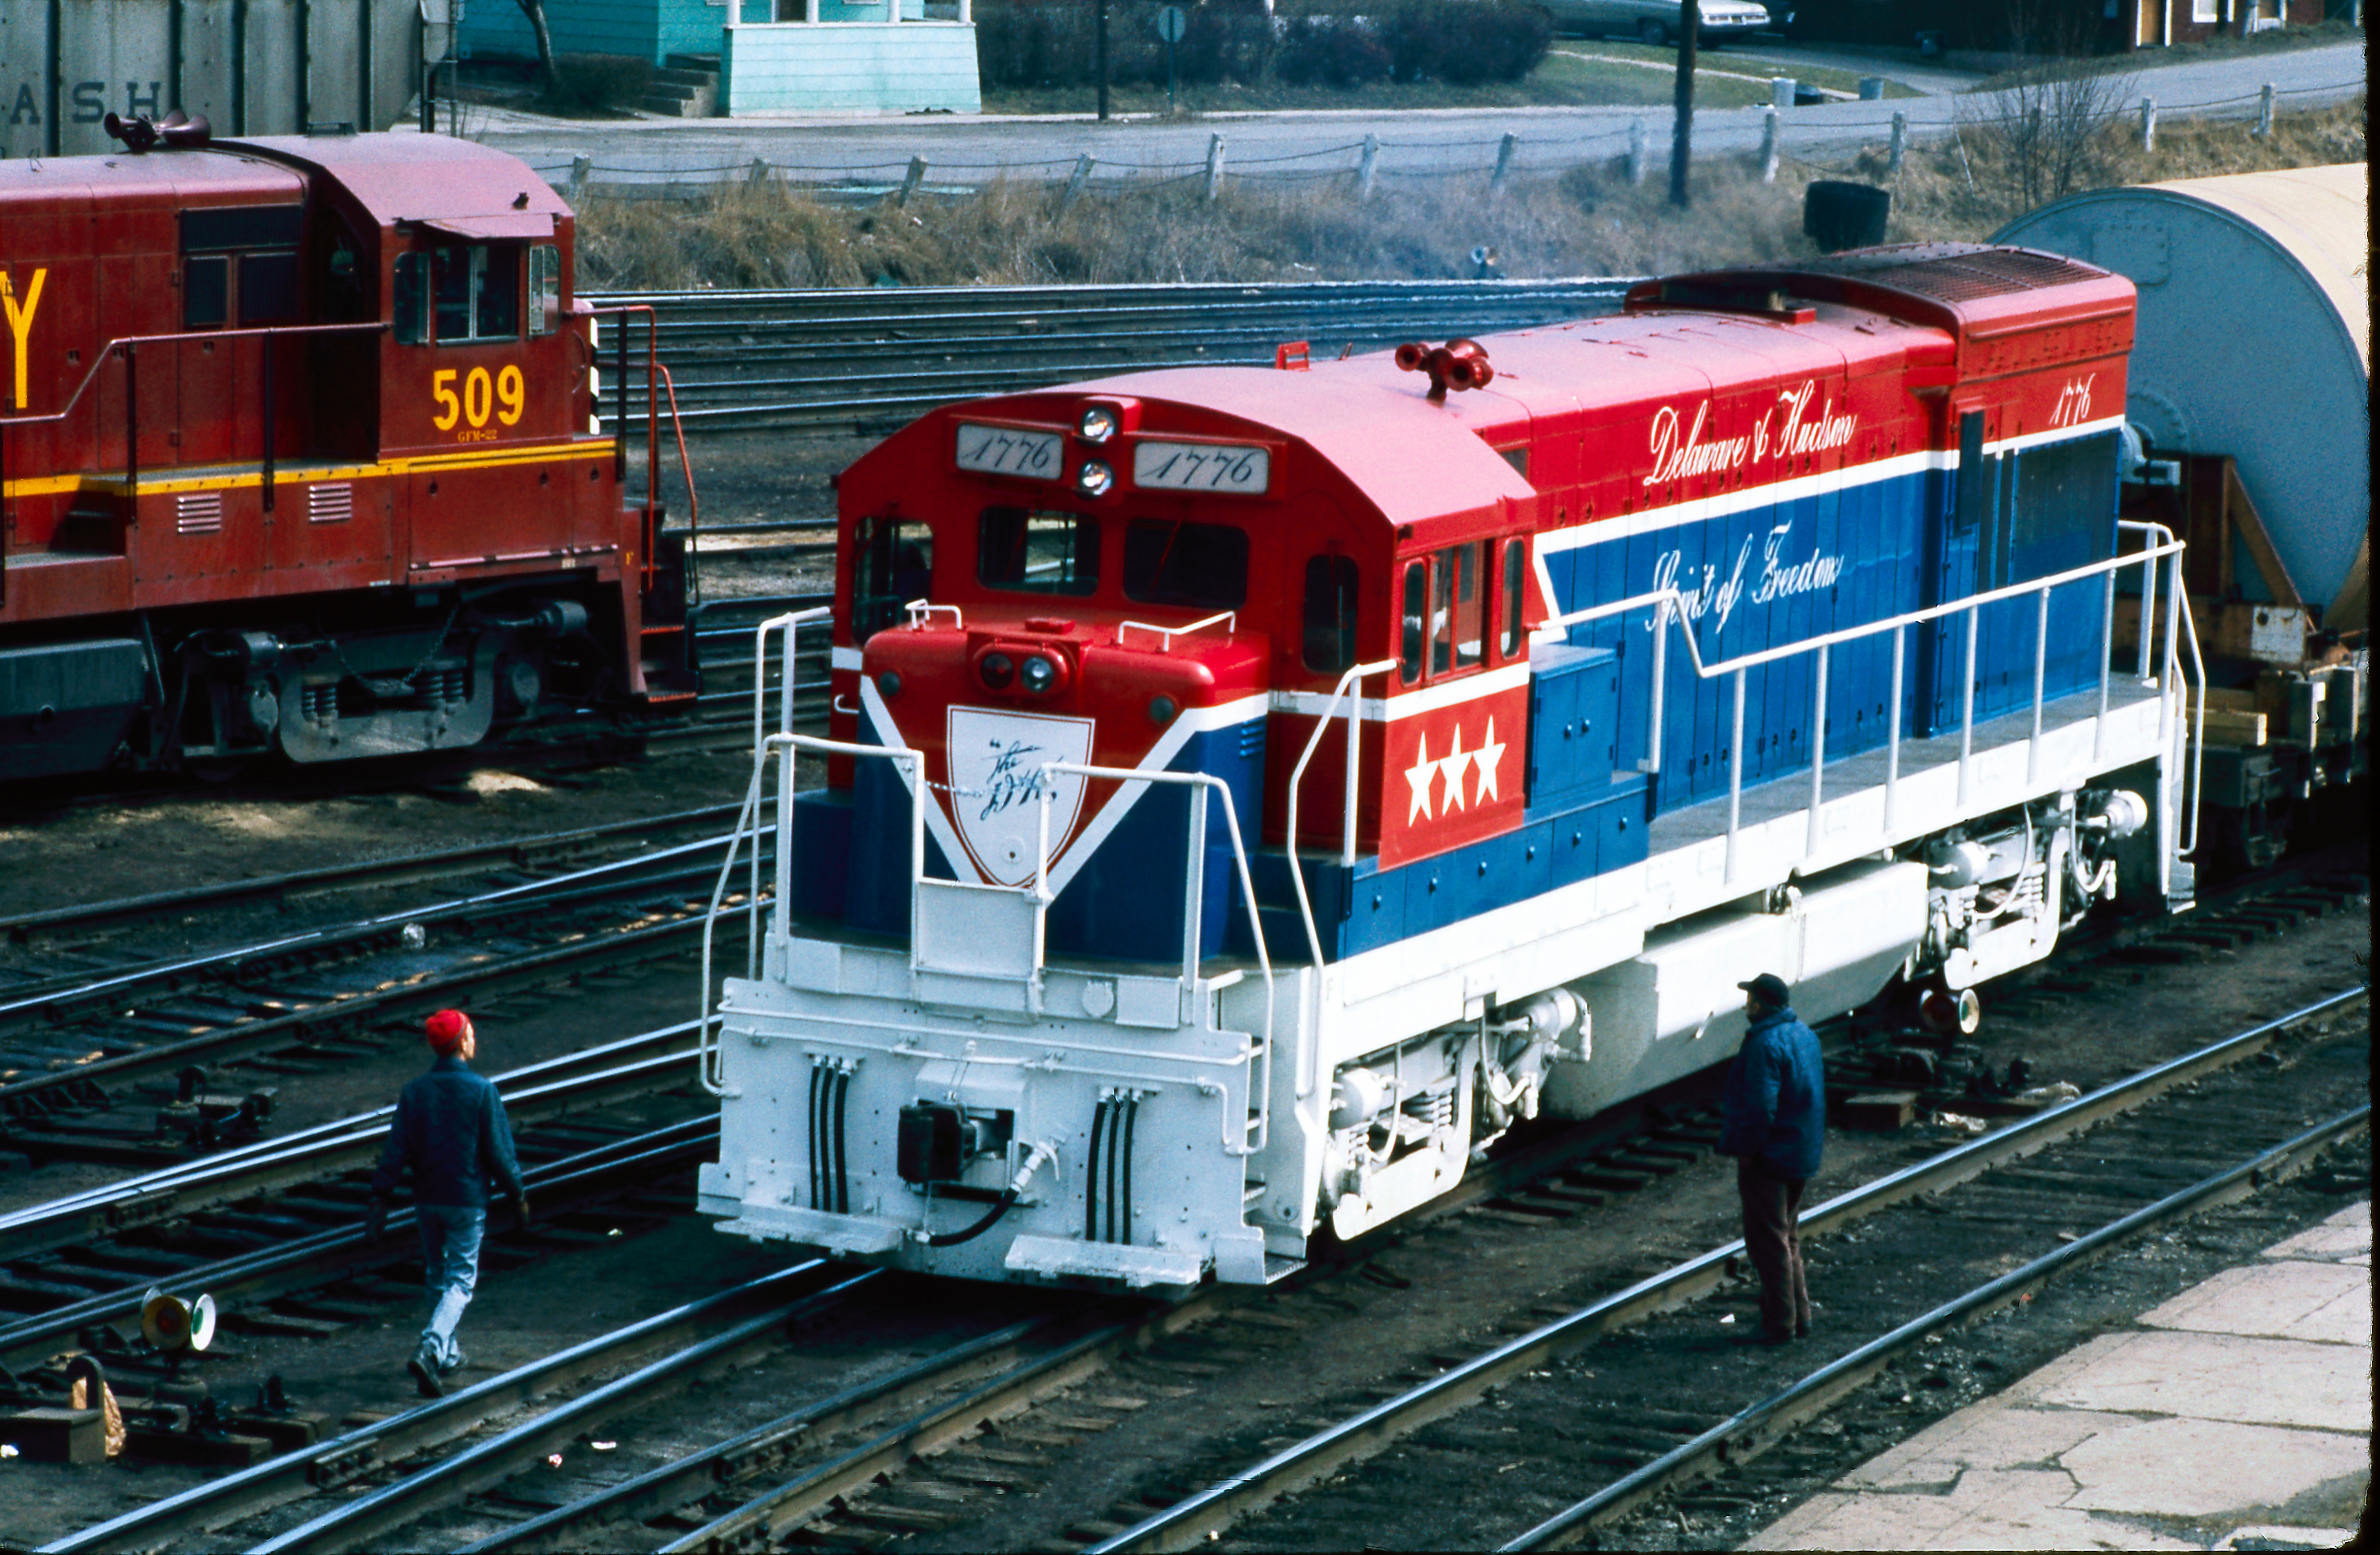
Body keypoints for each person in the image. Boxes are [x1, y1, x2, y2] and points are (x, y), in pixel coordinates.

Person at [366, 1009, 528, 1398]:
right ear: (461, 1043)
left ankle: (449, 1355)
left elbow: (396, 1150)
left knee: (437, 1275)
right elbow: (499, 1153)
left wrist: (380, 1198)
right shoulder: (482, 1091)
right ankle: (432, 1346)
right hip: (466, 1202)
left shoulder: (415, 1091)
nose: (475, 1039)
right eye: (471, 1033)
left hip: (427, 1200)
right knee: (460, 1281)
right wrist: (518, 1195)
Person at [1717, 972, 1823, 1346]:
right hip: (1800, 1152)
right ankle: (1799, 1317)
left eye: (1750, 998)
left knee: (1768, 1242)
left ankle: (1780, 1324)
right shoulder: (1805, 1035)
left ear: (1760, 1004)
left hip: (1770, 1156)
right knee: (1787, 1237)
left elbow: (1761, 1107)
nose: (1746, 1004)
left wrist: (1746, 1151)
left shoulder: (1764, 1044)